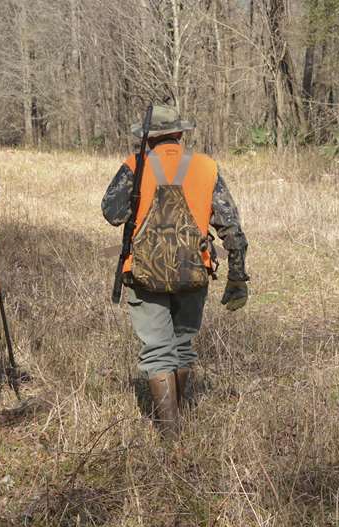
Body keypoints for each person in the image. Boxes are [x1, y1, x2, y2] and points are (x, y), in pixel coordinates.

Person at [102, 104, 250, 430]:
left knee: (157, 351)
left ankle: (170, 435)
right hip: (194, 271)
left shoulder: (134, 165)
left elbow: (112, 214)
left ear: (147, 138)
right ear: (180, 134)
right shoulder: (206, 167)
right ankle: (179, 418)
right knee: (182, 346)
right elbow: (231, 226)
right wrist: (237, 275)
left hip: (144, 273)